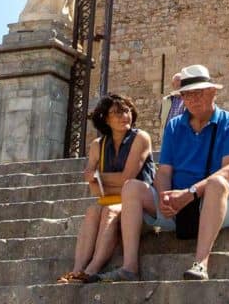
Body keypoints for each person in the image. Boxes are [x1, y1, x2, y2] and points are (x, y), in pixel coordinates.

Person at [99, 65, 229, 283]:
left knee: (217, 182)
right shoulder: (175, 126)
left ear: (212, 92)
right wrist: (165, 196)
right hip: (178, 205)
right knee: (131, 187)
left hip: (218, 203)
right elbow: (164, 171)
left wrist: (190, 192)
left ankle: (201, 263)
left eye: (198, 93)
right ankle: (130, 267)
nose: (193, 100)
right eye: (187, 95)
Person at [57, 94, 155, 284]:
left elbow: (127, 179)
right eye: (117, 113)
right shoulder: (97, 146)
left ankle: (92, 270)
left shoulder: (140, 138)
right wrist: (110, 182)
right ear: (105, 118)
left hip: (139, 205)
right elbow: (95, 190)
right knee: (92, 211)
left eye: (126, 111)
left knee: (110, 209)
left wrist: (100, 178)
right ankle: (77, 269)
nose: (124, 116)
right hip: (109, 200)